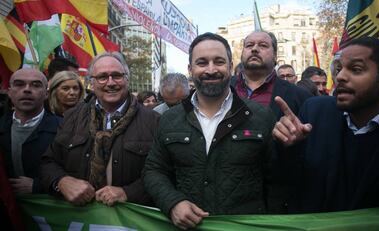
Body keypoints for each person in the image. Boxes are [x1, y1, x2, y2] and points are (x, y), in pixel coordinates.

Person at [144, 32, 274, 229]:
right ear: (190, 69)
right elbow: (154, 170)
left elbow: (278, 180)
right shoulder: (170, 120)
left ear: (231, 67)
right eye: (202, 62)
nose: (211, 70)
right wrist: (172, 202)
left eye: (219, 62)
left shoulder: (260, 117)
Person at [273, 37, 379, 213]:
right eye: (339, 68)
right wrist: (289, 146)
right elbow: (288, 182)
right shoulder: (314, 112)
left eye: (355, 69)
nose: (339, 77)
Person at [40, 52, 160, 206]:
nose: (110, 83)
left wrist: (128, 192)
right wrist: (62, 181)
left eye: (116, 75)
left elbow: (165, 171)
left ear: (127, 79)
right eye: (102, 77)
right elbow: (48, 162)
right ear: (91, 83)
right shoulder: (71, 118)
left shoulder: (154, 121)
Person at [0, 68, 61, 194]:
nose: (27, 89)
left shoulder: (64, 128)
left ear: (46, 94)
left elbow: (75, 173)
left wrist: (39, 186)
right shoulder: (2, 125)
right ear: (9, 92)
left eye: (36, 85)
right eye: (19, 84)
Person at [233, 30, 311, 120]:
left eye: (263, 45)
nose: (254, 49)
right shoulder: (224, 88)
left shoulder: (300, 97)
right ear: (242, 53)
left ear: (275, 56)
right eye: (249, 45)